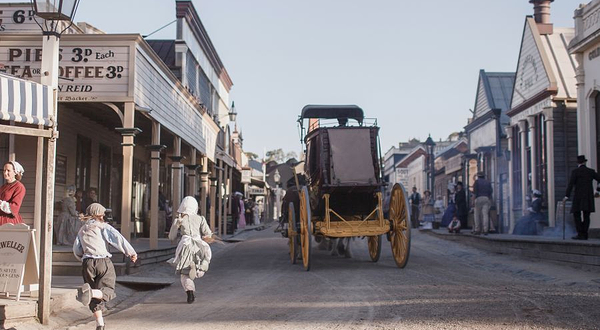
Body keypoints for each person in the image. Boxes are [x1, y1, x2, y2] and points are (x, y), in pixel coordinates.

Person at [73, 203, 137, 330]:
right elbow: (118, 239)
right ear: (100, 215)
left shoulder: (82, 229)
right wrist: (131, 252)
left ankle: (100, 324)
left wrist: (83, 258)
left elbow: (77, 249)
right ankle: (90, 293)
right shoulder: (103, 227)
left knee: (95, 296)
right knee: (107, 290)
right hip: (102, 261)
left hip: (87, 263)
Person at [167, 196, 213, 304]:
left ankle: (190, 292)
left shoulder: (180, 220)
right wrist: (206, 237)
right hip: (198, 244)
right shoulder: (200, 218)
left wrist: (176, 225)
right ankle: (200, 268)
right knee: (206, 255)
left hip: (185, 245)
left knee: (184, 273)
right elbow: (208, 233)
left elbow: (171, 236)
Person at [564, 155, 600, 240]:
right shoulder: (590, 171)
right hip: (588, 196)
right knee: (587, 215)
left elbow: (571, 184)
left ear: (578, 163)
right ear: (584, 162)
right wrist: (597, 190)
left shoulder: (575, 172)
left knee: (577, 214)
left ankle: (580, 233)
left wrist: (566, 196)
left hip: (578, 196)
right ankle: (585, 233)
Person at [0, 161, 26, 225]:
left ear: (15, 172)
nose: (5, 173)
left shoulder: (19, 187)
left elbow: (15, 207)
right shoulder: (3, 186)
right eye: (4, 170)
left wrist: (1, 203)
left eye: (8, 170)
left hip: (9, 220)